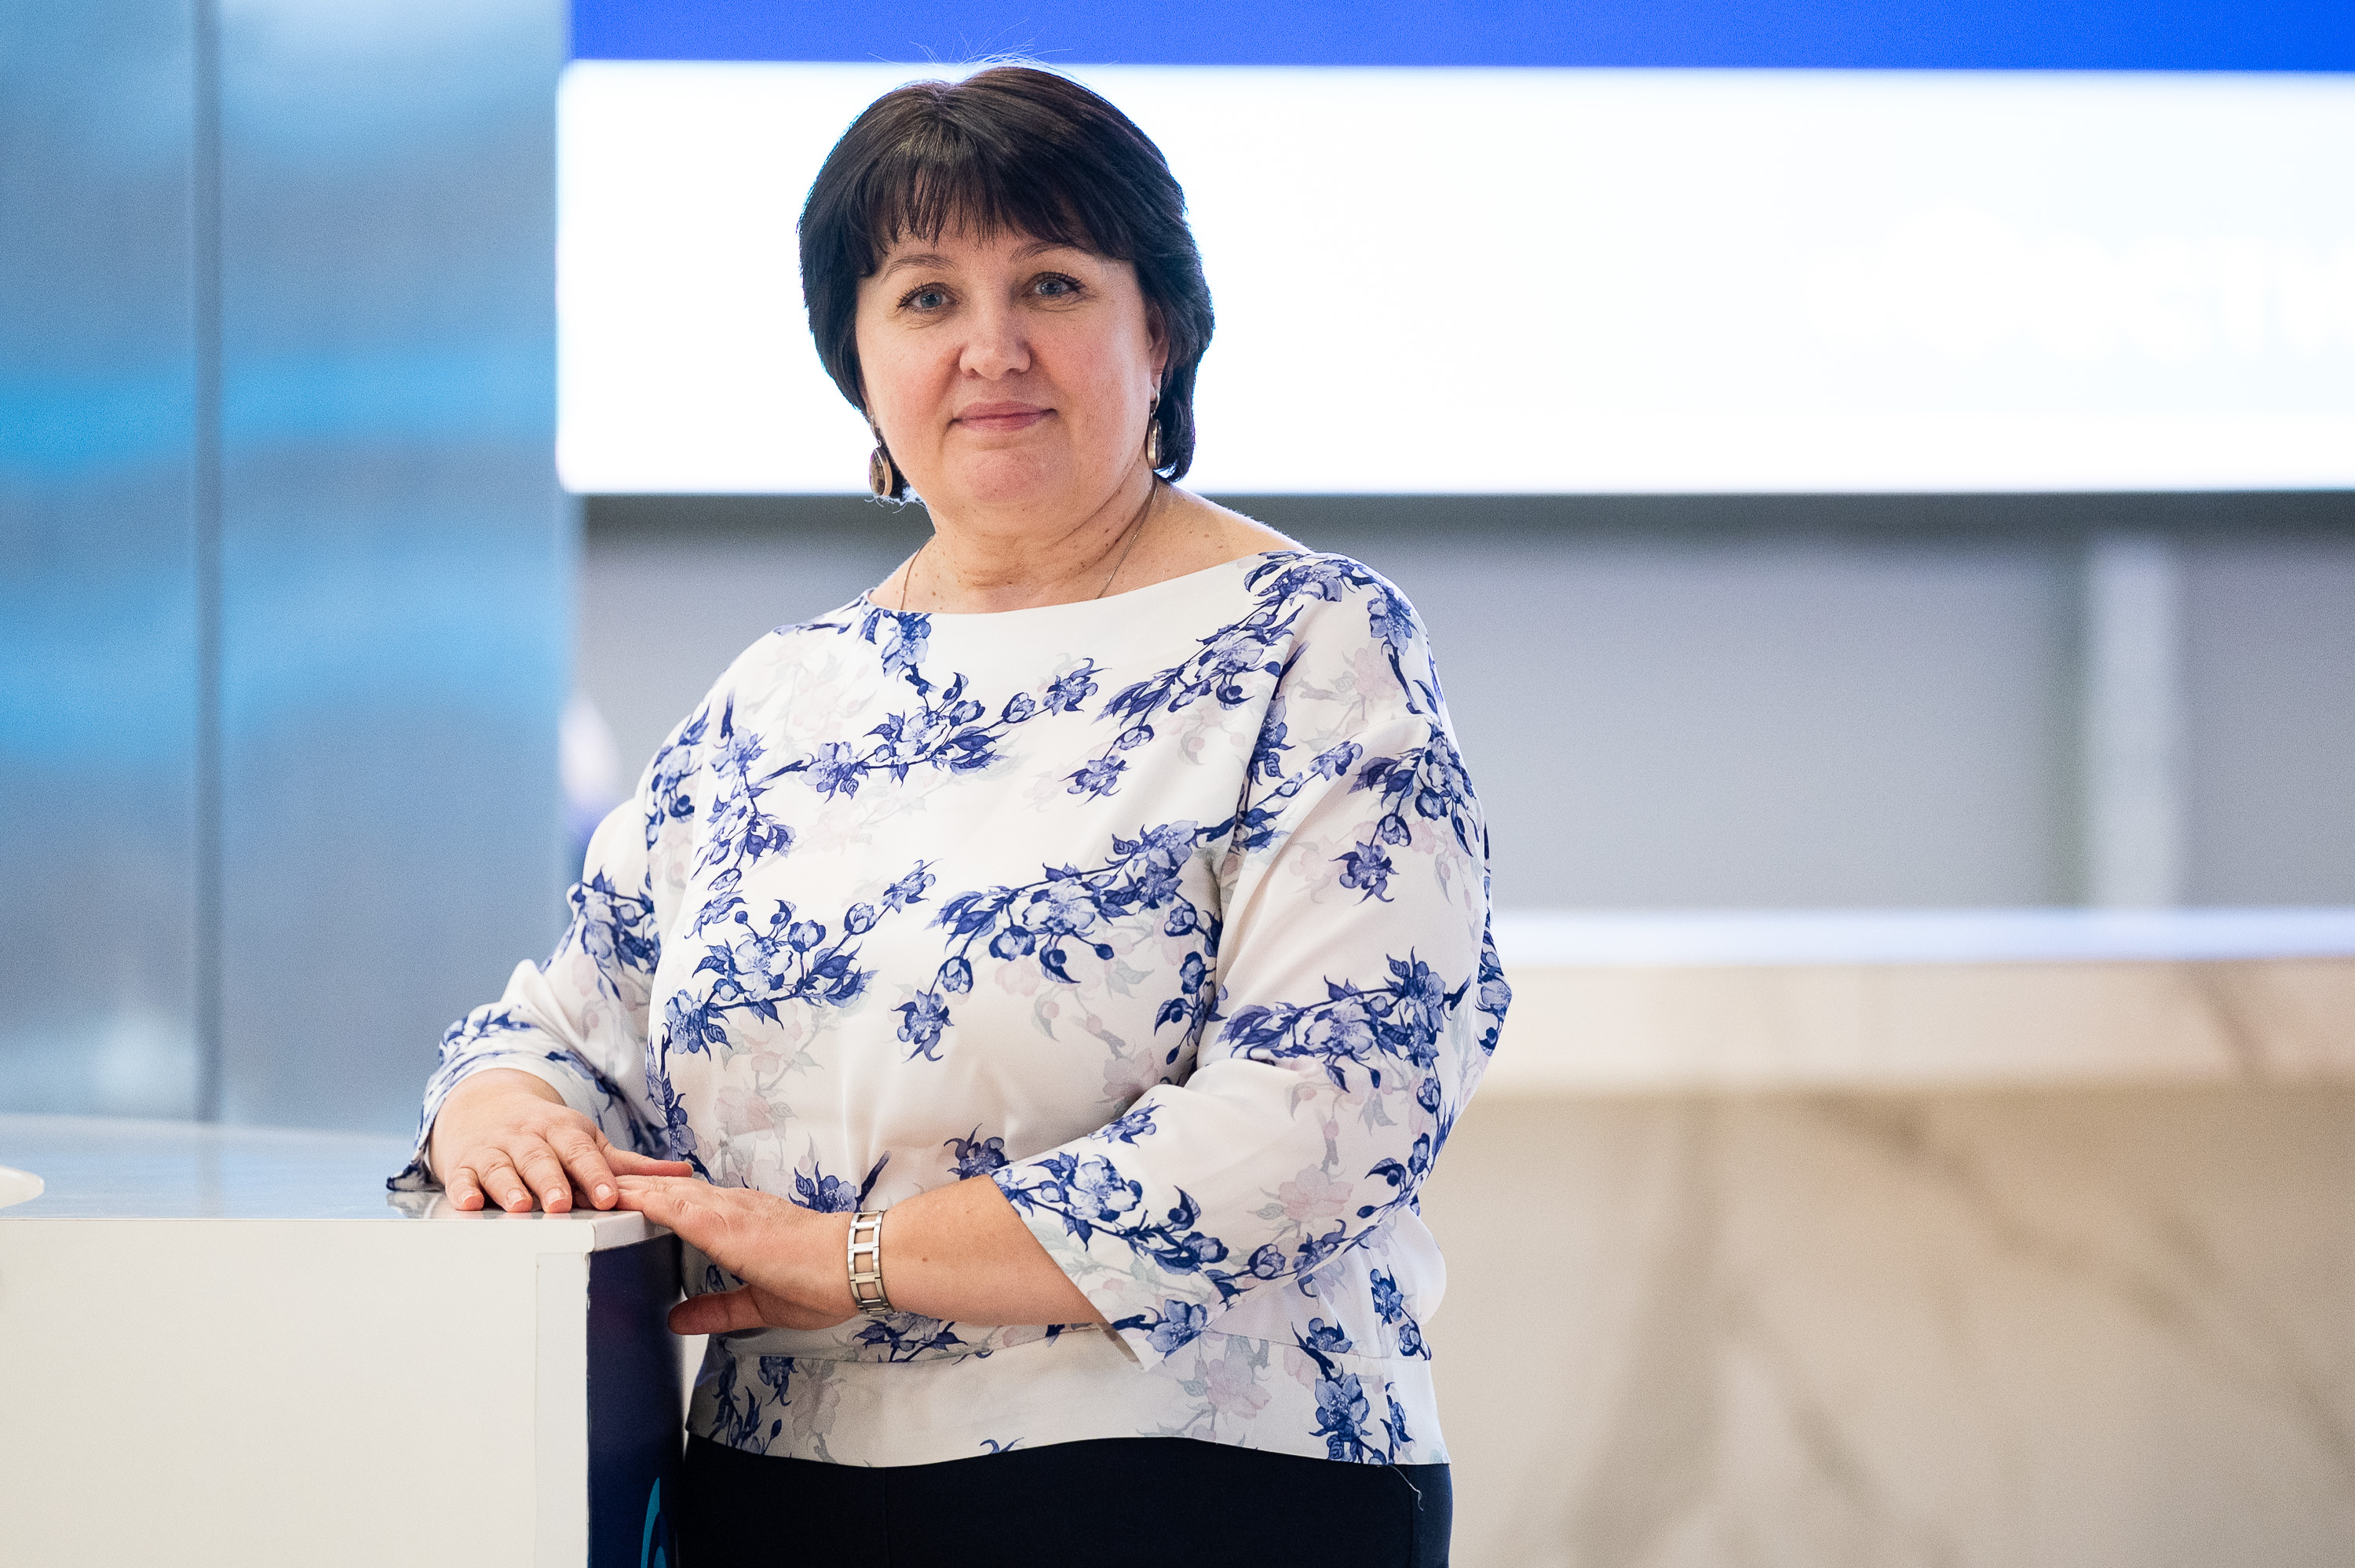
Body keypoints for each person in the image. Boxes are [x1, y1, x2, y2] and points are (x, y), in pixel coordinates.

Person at [398, 64, 1506, 1567]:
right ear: (858, 362)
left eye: (1051, 283)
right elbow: (565, 1032)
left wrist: (854, 1259)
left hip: (1193, 1485)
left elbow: (1320, 1115)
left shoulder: (1310, 644)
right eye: (926, 298)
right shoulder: (779, 696)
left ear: (1162, 331)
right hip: (776, 1489)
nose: (993, 347)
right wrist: (497, 1112)